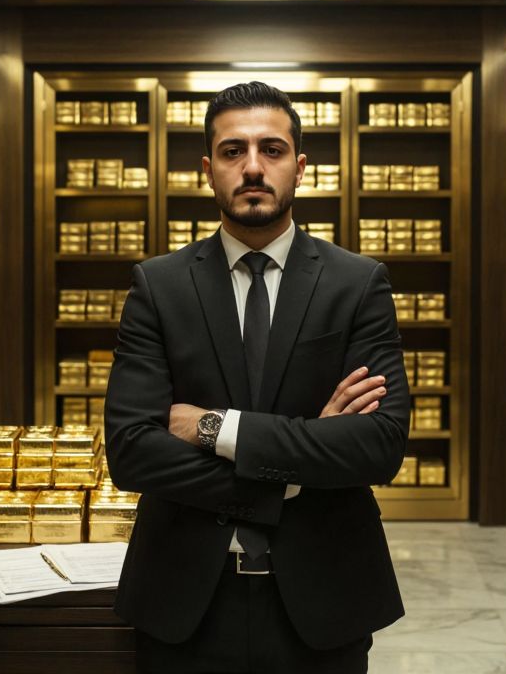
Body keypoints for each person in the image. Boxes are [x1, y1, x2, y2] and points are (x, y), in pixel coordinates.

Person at [104, 81, 410, 673]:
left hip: (324, 599)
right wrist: (300, 461)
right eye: (232, 151)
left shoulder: (357, 284)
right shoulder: (158, 286)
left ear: (299, 167)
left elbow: (379, 445)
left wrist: (216, 428)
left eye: (271, 150)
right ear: (207, 169)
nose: (252, 167)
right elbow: (133, 452)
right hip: (184, 597)